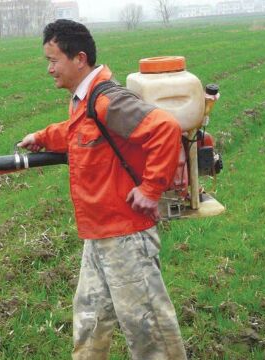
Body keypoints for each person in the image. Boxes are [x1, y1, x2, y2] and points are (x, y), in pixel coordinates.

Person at [18, 19, 188, 360]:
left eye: (53, 61)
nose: (50, 70)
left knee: (148, 332)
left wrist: (151, 190)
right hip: (99, 234)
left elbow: (166, 128)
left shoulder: (107, 100)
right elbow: (75, 131)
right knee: (90, 320)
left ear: (79, 59)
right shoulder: (83, 102)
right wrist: (43, 137)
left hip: (125, 236)